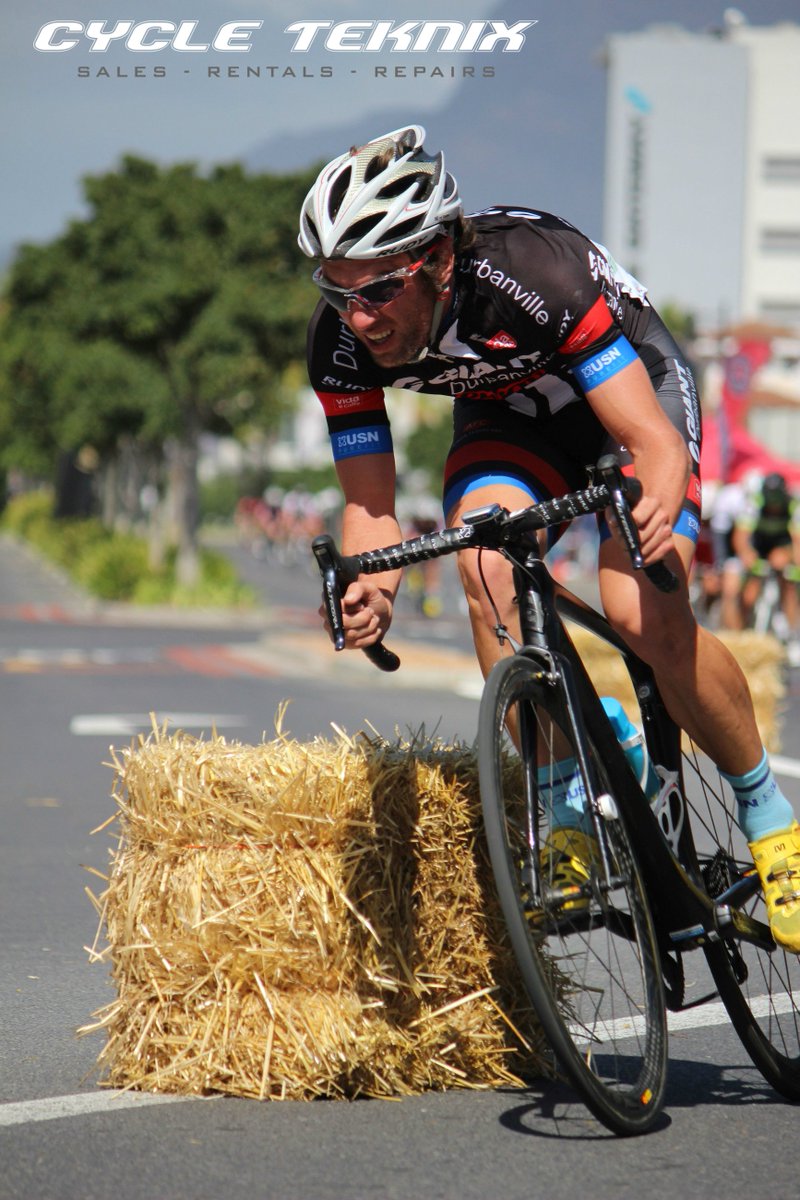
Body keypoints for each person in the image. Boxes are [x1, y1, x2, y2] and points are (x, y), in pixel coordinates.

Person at [298, 125, 800, 952]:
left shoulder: (530, 272)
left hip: (632, 399)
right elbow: (372, 508)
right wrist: (372, 588)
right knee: (484, 565)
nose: (358, 316)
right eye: (336, 289)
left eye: (379, 290)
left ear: (437, 258)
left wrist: (654, 510)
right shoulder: (342, 343)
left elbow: (653, 446)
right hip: (512, 421)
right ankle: (566, 788)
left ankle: (768, 815)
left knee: (640, 609)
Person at [733, 472, 800, 647]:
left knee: (789, 583)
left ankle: (793, 635)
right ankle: (743, 633)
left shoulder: (794, 505)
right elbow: (740, 538)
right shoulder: (754, 502)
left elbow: (797, 541)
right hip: (759, 545)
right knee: (749, 592)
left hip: (783, 545)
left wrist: (794, 563)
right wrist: (747, 556)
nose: (773, 506)